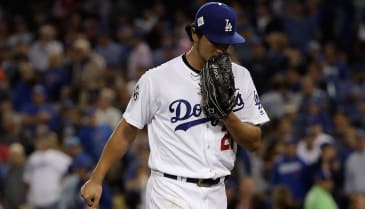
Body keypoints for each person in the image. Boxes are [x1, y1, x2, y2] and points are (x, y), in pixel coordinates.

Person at [80, 2, 270, 209]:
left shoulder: (240, 77)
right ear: (195, 34)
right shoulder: (157, 79)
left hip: (216, 193)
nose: (220, 49)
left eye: (226, 43)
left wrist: (227, 114)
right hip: (170, 189)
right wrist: (97, 179)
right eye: (215, 41)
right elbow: (126, 131)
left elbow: (253, 142)